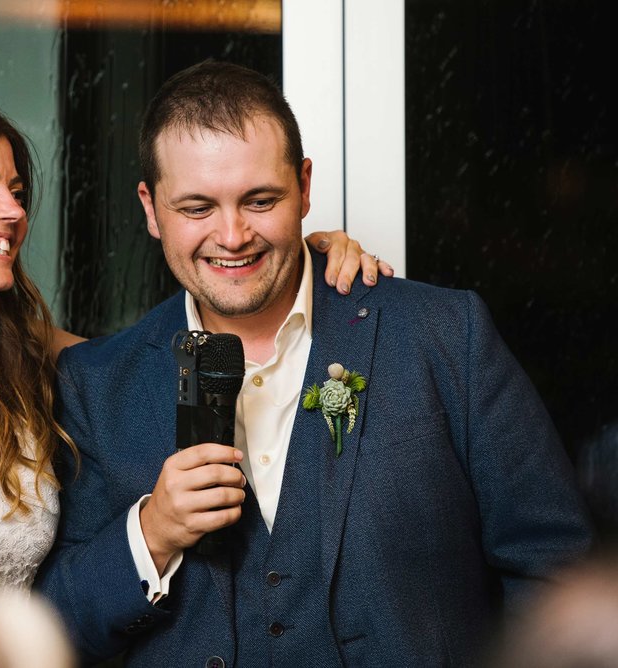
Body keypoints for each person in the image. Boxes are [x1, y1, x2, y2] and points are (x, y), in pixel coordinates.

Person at [35, 60, 594, 666]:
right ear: (150, 208)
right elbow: (54, 629)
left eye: (260, 199)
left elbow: (557, 566)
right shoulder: (93, 384)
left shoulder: (444, 336)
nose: (231, 235)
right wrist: (151, 535)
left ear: (304, 187)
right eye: (196, 207)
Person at [0, 86, 390, 589]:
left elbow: (162, 347)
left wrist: (292, 263)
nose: (15, 210)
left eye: (18, 190)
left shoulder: (31, 355)